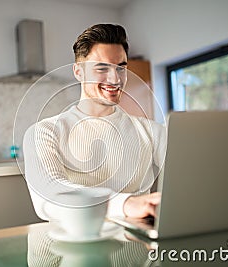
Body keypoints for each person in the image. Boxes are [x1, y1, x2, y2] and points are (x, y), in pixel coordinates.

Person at [23, 23, 166, 220]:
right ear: (78, 72)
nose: (115, 78)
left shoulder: (152, 132)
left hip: (138, 246)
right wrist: (126, 204)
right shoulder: (43, 132)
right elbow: (49, 195)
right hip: (74, 248)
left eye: (121, 68)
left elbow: (190, 177)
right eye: (102, 68)